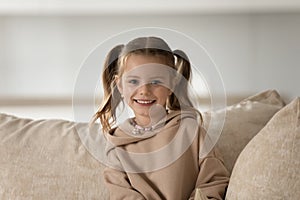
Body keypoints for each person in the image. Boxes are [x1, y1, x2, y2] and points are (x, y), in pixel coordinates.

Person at [92, 36, 229, 200]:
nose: (144, 90)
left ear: (172, 84)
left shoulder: (191, 132)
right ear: (120, 85)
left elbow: (213, 182)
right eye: (134, 81)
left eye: (155, 81)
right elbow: (122, 193)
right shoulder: (116, 144)